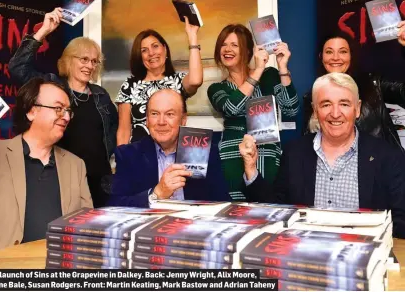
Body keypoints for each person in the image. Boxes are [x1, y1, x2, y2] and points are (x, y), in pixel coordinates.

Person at [241, 73, 405, 238]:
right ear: (315, 110)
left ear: (357, 109)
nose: (335, 113)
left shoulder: (388, 156)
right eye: (326, 104)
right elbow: (277, 210)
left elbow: (399, 222)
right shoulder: (294, 153)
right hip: (307, 254)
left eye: (344, 104)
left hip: (364, 256)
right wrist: (251, 168)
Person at [9, 7, 117, 208]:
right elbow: (17, 68)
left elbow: (112, 132)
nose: (89, 65)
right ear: (69, 60)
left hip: (101, 183)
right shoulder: (53, 86)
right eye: (83, 59)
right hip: (62, 177)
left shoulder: (101, 96)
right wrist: (43, 31)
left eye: (94, 61)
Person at [0, 78, 93, 256]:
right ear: (31, 111)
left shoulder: (76, 165)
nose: (67, 117)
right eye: (58, 109)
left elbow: (88, 227)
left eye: (68, 111)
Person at [207, 24, 299, 201]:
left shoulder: (270, 75)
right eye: (223, 45)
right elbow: (232, 108)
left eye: (234, 45)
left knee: (269, 208)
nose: (227, 49)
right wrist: (257, 70)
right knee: (236, 214)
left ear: (248, 50)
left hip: (267, 154)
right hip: (232, 157)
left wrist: (282, 67)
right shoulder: (217, 88)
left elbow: (291, 108)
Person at [109, 89, 230, 207]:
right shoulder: (128, 155)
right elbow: (115, 204)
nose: (161, 122)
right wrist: (156, 194)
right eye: (154, 114)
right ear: (147, 120)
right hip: (150, 225)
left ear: (183, 120)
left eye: (170, 114)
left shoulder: (204, 151)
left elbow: (222, 202)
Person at [302, 22, 405, 151]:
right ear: (321, 57)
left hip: (378, 167)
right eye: (329, 52)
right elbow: (308, 143)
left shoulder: (373, 85)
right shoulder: (310, 96)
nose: (335, 58)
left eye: (343, 52)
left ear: (351, 56)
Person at [116, 17, 203, 145]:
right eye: (144, 50)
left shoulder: (177, 80)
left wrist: (192, 36)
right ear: (140, 57)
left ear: (165, 49)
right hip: (140, 158)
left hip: (174, 156)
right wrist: (122, 160)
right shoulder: (129, 85)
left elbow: (195, 80)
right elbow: (124, 130)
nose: (151, 53)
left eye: (155, 46)